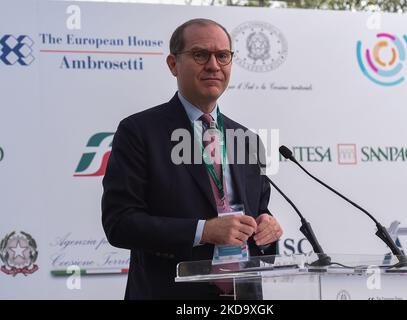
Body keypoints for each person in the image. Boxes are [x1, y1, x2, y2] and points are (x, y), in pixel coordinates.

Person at [101, 18, 283, 300]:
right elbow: (120, 223)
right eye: (200, 54)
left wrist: (267, 226)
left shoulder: (247, 139)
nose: (214, 65)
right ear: (173, 64)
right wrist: (204, 231)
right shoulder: (139, 132)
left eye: (223, 56)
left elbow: (258, 210)